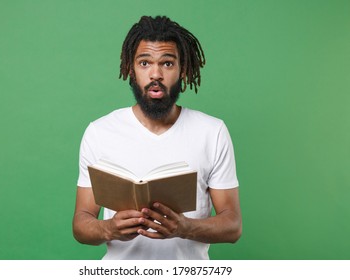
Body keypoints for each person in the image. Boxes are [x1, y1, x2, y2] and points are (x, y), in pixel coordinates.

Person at [73, 15, 242, 260]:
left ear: (182, 69)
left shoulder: (212, 132)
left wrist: (184, 227)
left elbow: (233, 225)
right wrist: (108, 228)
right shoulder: (100, 132)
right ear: (131, 69)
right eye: (144, 63)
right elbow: (81, 223)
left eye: (167, 63)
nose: (156, 74)